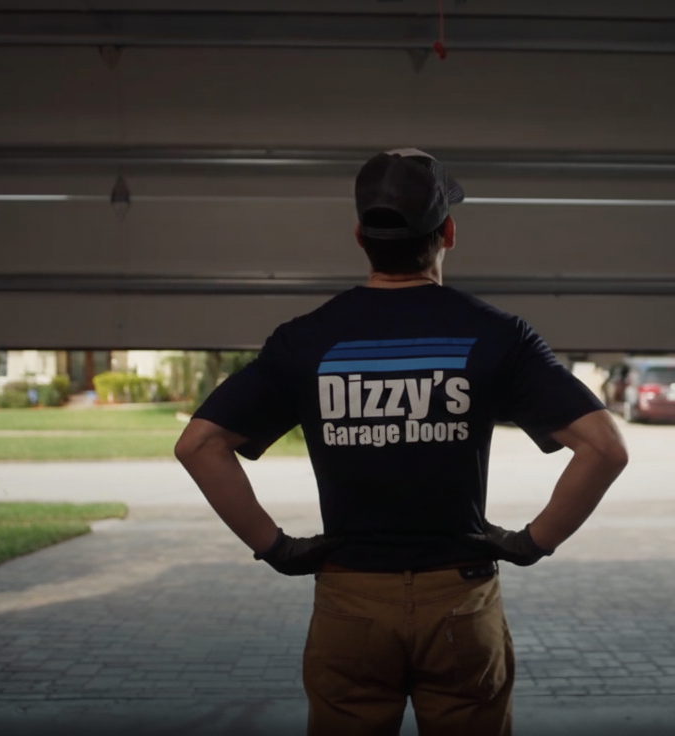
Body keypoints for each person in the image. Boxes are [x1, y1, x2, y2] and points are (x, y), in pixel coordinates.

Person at [175, 148, 629, 736]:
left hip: (350, 601)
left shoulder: (306, 340)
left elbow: (198, 445)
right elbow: (605, 448)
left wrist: (278, 548)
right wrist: (530, 543)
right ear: (448, 232)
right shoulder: (496, 335)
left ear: (361, 236)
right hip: (460, 602)